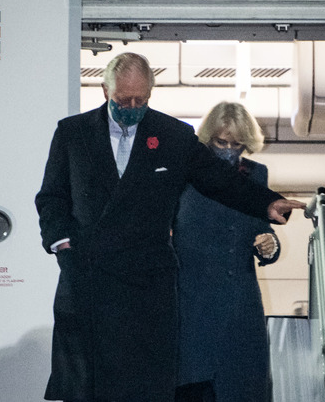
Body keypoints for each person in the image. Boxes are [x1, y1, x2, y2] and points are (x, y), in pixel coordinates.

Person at [34, 52, 305, 402]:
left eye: (140, 100)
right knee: (87, 388)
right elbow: (51, 197)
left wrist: (266, 202)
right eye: (123, 99)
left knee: (146, 388)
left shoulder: (172, 136)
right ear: (105, 90)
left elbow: (218, 180)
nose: (131, 107)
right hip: (88, 277)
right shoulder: (73, 133)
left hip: (148, 285)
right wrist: (62, 243)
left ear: (150, 94)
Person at [173, 102, 279, 402]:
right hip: (192, 303)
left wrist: (269, 245)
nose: (229, 150)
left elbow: (262, 229)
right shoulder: (185, 173)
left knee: (242, 388)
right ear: (208, 139)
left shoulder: (256, 174)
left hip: (239, 304)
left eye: (237, 144)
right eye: (222, 142)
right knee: (194, 387)